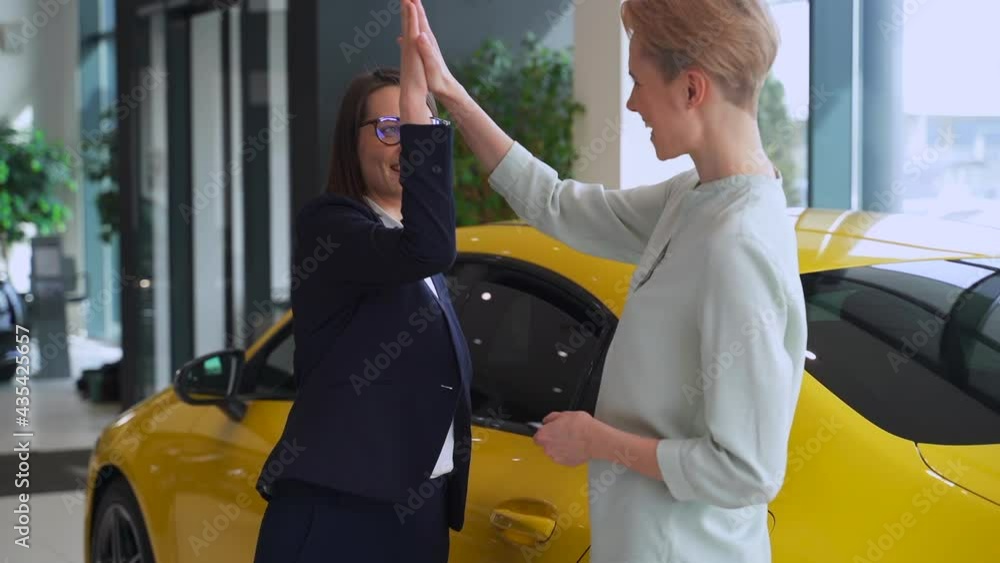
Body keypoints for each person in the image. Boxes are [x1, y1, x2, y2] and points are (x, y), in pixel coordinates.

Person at [408, 0, 807, 560]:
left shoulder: (738, 243)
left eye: (638, 82)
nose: (632, 102)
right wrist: (450, 93)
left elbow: (747, 472)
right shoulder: (695, 196)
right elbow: (555, 204)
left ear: (692, 89)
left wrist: (597, 440)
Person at [251, 3, 472, 562]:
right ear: (352, 140)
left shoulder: (406, 245)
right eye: (392, 125)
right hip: (338, 513)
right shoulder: (332, 226)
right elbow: (430, 246)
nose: (404, 141)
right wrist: (421, 104)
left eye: (416, 122)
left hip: (415, 508)